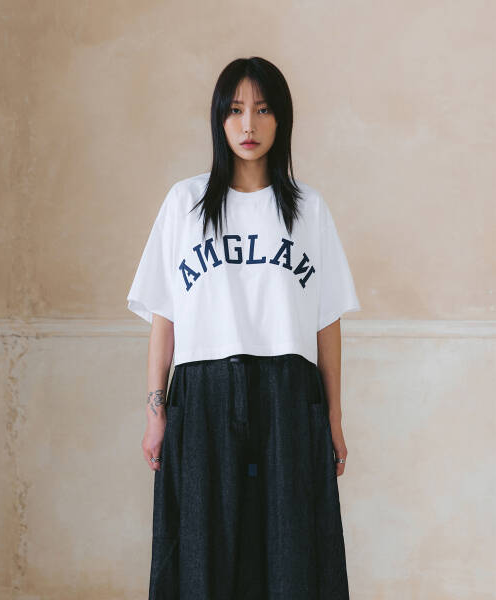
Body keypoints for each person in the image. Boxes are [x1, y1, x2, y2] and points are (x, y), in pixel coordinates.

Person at [127, 56, 361, 600]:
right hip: (203, 394)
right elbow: (165, 317)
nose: (248, 125)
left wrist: (333, 418)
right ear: (219, 119)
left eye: (262, 110)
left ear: (282, 119)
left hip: (288, 393)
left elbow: (326, 324)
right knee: (201, 551)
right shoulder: (184, 203)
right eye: (235, 110)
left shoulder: (308, 209)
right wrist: (155, 411)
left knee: (292, 551)